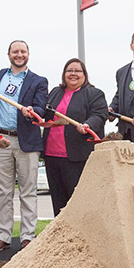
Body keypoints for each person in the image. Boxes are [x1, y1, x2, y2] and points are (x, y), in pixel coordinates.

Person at [0, 40, 48, 252]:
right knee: (3, 192)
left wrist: (32, 110)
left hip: (26, 141)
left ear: (28, 54)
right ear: (8, 54)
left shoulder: (38, 80)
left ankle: (27, 237)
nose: (19, 54)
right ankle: (2, 236)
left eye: (22, 51)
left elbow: (41, 107)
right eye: (15, 51)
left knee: (28, 191)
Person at [43, 58, 108, 216]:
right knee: (58, 201)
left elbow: (99, 115)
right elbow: (45, 114)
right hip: (51, 155)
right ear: (64, 74)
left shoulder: (94, 94)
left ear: (84, 74)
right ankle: (60, 236)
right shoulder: (55, 92)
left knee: (77, 201)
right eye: (69, 70)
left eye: (77, 71)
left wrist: (88, 124)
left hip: (76, 156)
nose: (73, 74)